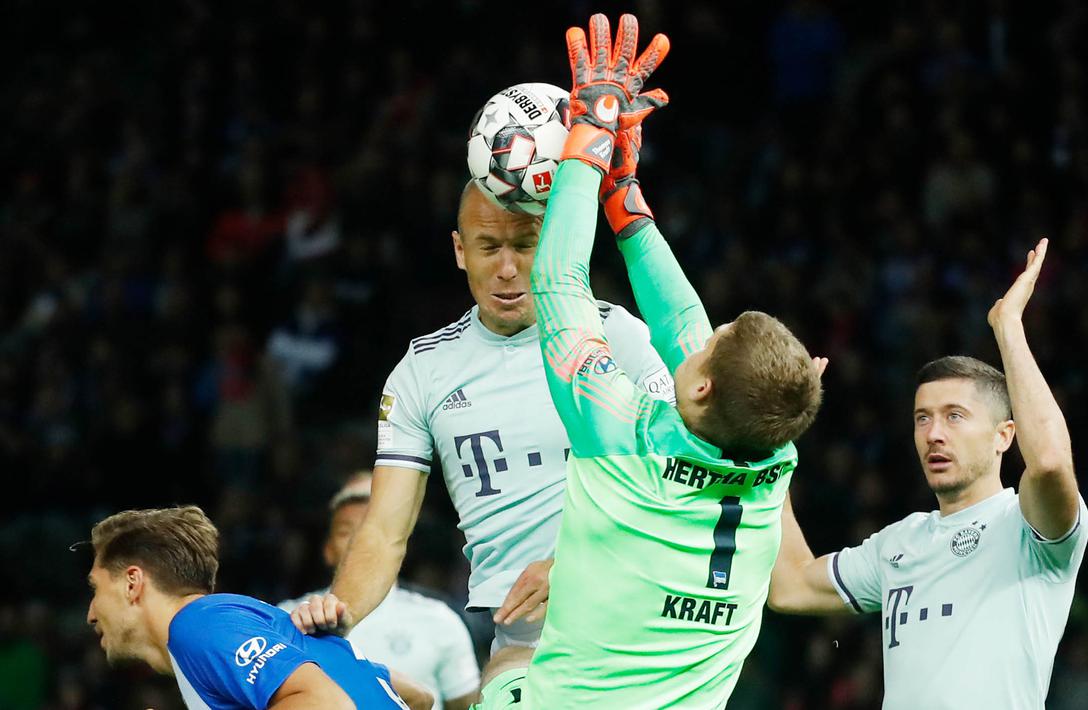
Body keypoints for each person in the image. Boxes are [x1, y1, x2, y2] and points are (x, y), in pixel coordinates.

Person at [289, 89, 674, 657]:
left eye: (526, 243)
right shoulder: (422, 372)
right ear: (459, 250)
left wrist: (573, 566)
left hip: (631, 619)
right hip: (519, 640)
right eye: (488, 246)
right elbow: (384, 531)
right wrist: (339, 612)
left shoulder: (618, 336)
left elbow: (682, 480)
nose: (509, 268)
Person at [513, 14, 825, 707]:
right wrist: (625, 200)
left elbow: (557, 283)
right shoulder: (773, 456)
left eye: (713, 341)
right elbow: (685, 329)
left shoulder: (621, 430)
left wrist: (587, 141)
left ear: (705, 383)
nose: (701, 330)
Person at [769, 239, 1088, 709]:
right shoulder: (899, 543)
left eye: (955, 416)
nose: (933, 433)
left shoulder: (1029, 529)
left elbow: (1051, 464)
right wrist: (771, 448)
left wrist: (1009, 329)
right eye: (923, 418)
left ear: (1005, 436)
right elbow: (791, 586)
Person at [82, 505, 433, 710]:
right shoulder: (257, 622)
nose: (91, 614)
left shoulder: (197, 626)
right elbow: (418, 696)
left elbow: (326, 704)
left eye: (95, 589)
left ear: (132, 583)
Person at [278, 472, 480, 710]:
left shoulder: (439, 619)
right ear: (327, 549)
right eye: (346, 531)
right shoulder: (286, 620)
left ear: (395, 548)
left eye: (368, 532)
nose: (358, 541)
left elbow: (466, 706)